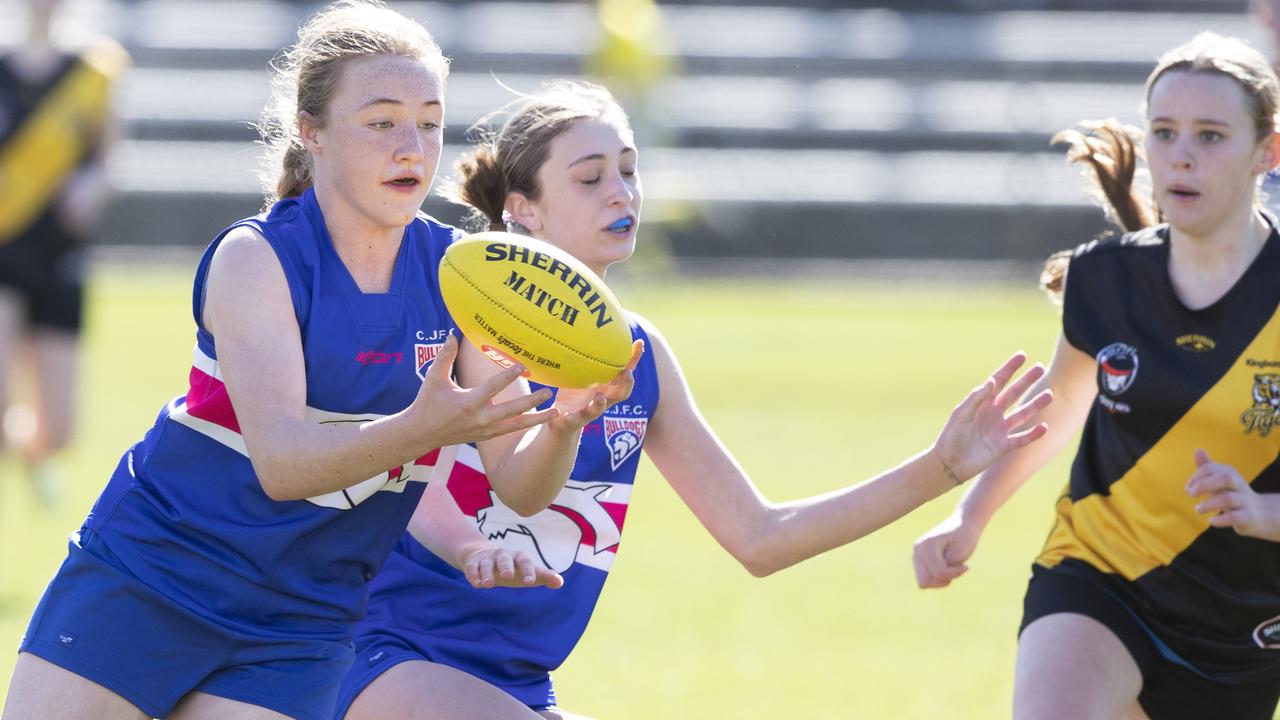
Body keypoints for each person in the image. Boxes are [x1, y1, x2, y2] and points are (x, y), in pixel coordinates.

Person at [335, 79, 1056, 720]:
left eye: (628, 170)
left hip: (517, 682)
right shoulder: (479, 325)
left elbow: (761, 538)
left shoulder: (641, 356)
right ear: (523, 210)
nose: (622, 193)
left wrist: (942, 467)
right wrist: (562, 423)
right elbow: (519, 489)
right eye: (590, 179)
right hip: (389, 658)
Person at [0, 3, 638, 719]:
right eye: (382, 121)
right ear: (313, 132)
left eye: (429, 121)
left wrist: (562, 426)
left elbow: (519, 488)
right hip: (154, 580)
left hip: (301, 622)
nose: (412, 147)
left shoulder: (463, 276)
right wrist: (424, 428)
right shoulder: (257, 257)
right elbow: (283, 463)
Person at [911, 31, 1280, 720]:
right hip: (1100, 575)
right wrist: (971, 515)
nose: (1182, 156)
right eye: (1166, 133)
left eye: (1210, 135)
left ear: (1270, 151)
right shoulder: (1104, 278)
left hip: (1244, 627)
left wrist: (1263, 513)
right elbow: (1058, 411)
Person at [0, 0, 128, 505]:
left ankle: (31, 453)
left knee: (60, 432)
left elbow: (109, 163)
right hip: (5, 249)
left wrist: (88, 190)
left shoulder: (96, 69)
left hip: (60, 254)